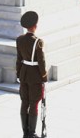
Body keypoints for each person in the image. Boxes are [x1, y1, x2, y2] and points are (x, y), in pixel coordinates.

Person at [16, 10, 46, 138]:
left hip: (24, 74)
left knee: (24, 102)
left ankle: (25, 132)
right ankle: (32, 133)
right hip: (35, 76)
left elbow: (18, 59)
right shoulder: (37, 42)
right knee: (34, 103)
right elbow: (41, 62)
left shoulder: (19, 40)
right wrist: (44, 77)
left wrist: (18, 74)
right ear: (35, 26)